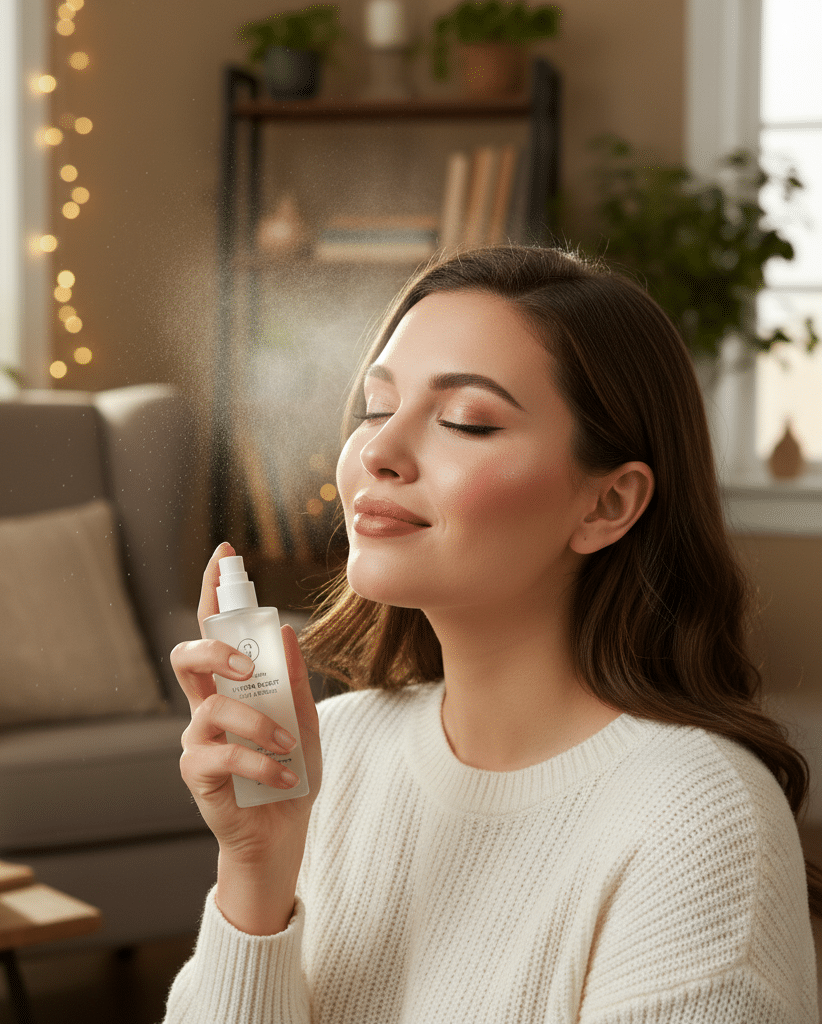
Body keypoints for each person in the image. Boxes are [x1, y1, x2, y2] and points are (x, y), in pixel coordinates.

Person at [165, 246, 820, 1023]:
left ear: (607, 504)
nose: (377, 451)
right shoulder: (327, 756)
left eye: (466, 421)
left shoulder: (698, 823)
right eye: (376, 409)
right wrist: (256, 871)